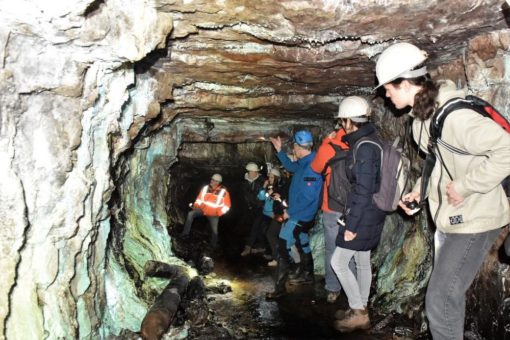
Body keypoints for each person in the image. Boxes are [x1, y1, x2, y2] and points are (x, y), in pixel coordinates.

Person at [376, 42, 510, 339]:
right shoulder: (421, 120)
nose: (385, 94)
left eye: (388, 87)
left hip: (476, 215)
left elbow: (507, 149)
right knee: (445, 296)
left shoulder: (455, 118)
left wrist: (465, 185)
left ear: (406, 82)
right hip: (452, 216)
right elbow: (438, 163)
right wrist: (418, 191)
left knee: (440, 299)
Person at [330, 96, 387, 332]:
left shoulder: (364, 148)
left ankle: (359, 312)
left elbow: (363, 190)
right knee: (363, 262)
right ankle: (360, 307)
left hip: (363, 214)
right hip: (373, 212)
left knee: (339, 261)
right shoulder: (372, 142)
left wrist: (351, 226)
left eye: (343, 120)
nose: (342, 124)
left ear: (348, 121)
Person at [266, 130, 323, 299]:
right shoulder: (306, 161)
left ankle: (280, 288)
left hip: (300, 215)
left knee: (283, 244)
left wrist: (288, 213)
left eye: (295, 147)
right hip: (302, 214)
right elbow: (291, 167)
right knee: (303, 242)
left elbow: (308, 197)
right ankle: (307, 274)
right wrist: (279, 151)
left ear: (299, 147)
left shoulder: (311, 168)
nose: (294, 150)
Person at [311, 118, 350, 303]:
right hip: (354, 208)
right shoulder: (360, 145)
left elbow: (316, 167)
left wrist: (326, 141)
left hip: (332, 207)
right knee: (353, 251)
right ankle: (354, 291)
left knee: (332, 250)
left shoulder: (328, 147)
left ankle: (333, 289)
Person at [180, 173, 231, 248]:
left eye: (213, 180)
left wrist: (219, 213)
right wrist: (195, 206)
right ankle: (185, 234)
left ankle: (213, 245)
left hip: (213, 214)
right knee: (191, 214)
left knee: (215, 231)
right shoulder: (206, 188)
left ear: (218, 182)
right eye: (212, 179)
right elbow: (199, 199)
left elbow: (227, 206)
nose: (211, 181)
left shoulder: (224, 192)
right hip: (202, 210)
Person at [257, 167, 289, 266]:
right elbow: (261, 197)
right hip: (270, 213)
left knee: (273, 235)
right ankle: (276, 256)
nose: (269, 179)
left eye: (272, 177)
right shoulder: (270, 187)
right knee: (270, 234)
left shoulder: (279, 188)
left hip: (277, 215)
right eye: (269, 177)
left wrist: (275, 197)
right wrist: (264, 187)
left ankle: (279, 258)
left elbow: (281, 202)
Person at [240, 162, 267, 256]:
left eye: (254, 172)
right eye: (251, 171)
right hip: (252, 208)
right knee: (258, 228)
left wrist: (259, 203)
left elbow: (262, 195)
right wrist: (249, 206)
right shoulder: (245, 182)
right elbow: (246, 195)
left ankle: (248, 247)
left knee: (255, 226)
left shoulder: (262, 181)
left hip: (261, 207)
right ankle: (263, 247)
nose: (253, 173)